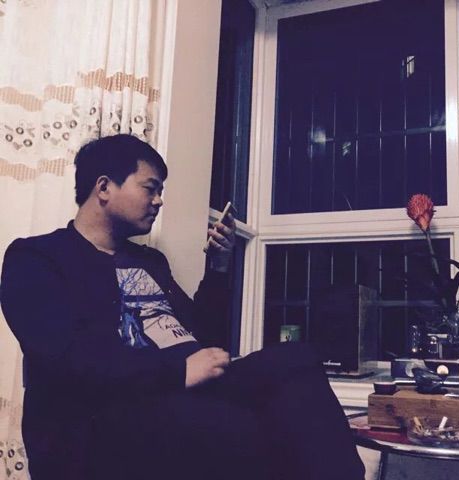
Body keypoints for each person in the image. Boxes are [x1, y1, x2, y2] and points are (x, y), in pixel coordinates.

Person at [1, 134, 365, 480]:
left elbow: (200, 335)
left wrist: (218, 269)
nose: (159, 200)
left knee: (296, 359)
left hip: (186, 388)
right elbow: (66, 356)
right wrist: (177, 372)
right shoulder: (36, 257)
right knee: (237, 427)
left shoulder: (150, 261)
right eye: (150, 188)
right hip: (107, 411)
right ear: (104, 188)